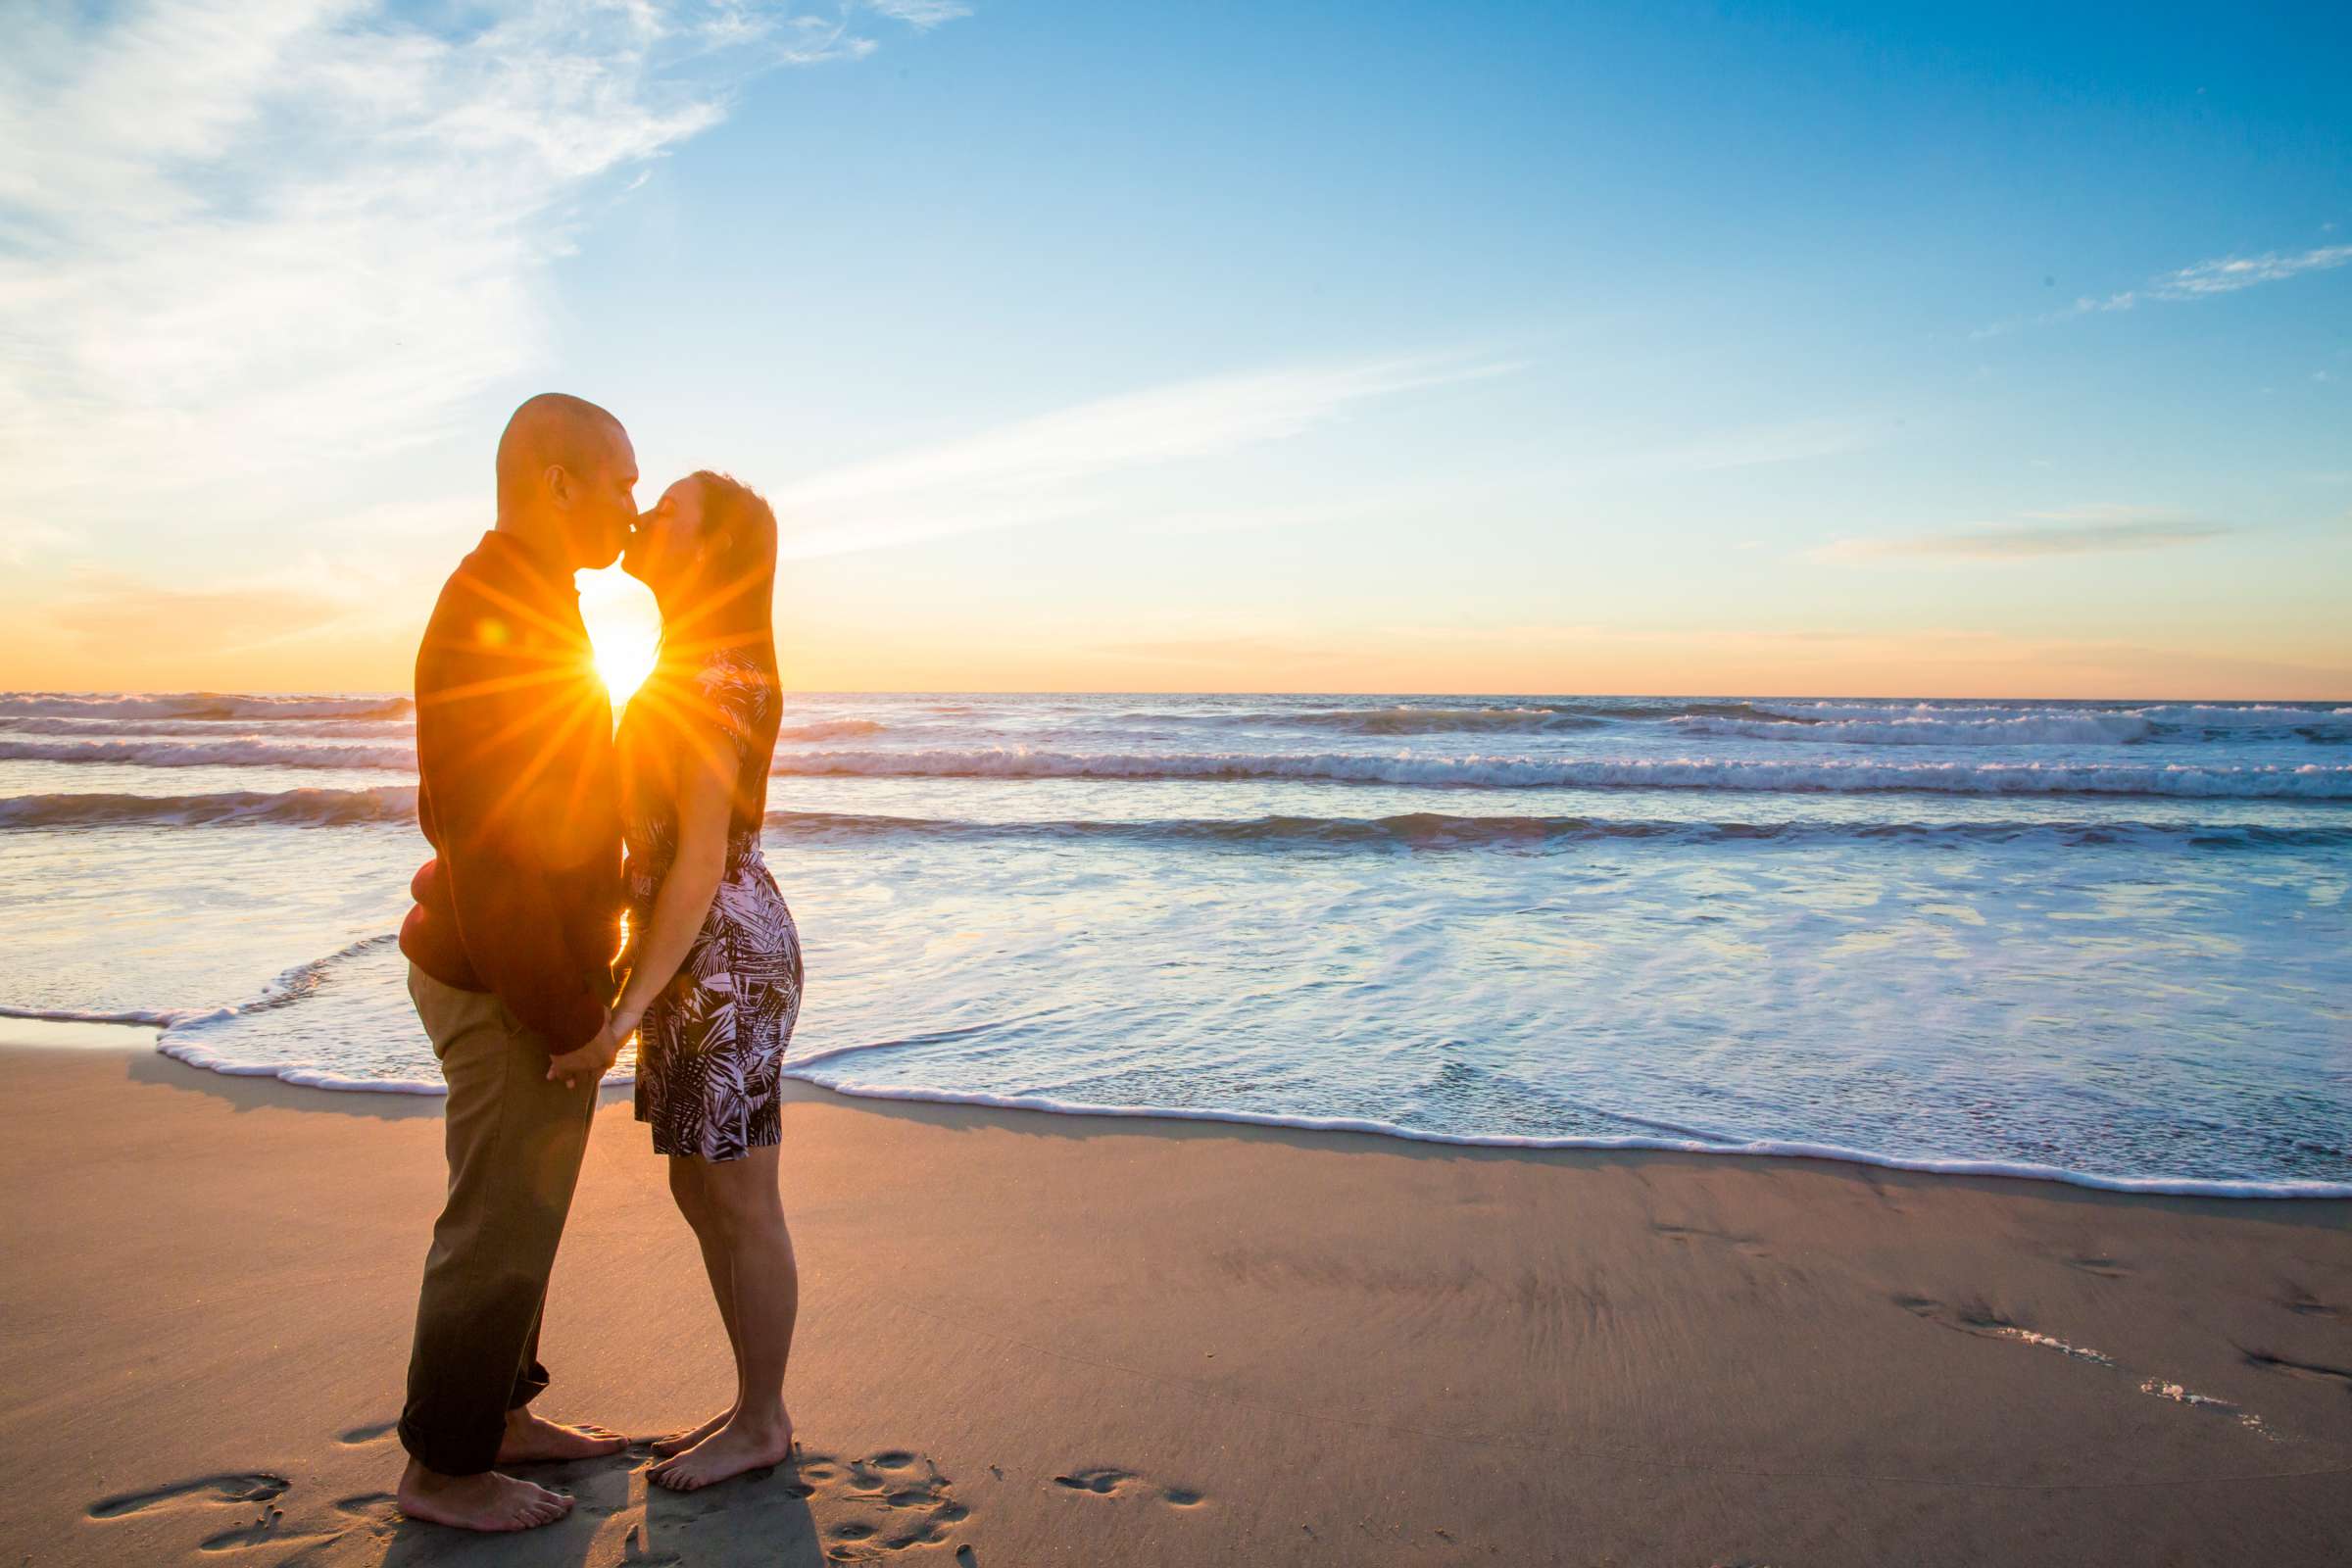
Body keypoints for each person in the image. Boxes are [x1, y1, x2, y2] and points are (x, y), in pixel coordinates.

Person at [392, 393, 639, 1532]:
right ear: (557, 483)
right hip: (501, 981)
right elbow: (491, 854)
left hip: (527, 973)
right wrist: (564, 1015)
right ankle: (444, 1467)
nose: (631, 505)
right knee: (494, 1227)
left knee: (524, 1213)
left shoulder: (537, 598)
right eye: (620, 482)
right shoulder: (495, 607)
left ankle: (501, 1414)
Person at [547, 470, 806, 1493]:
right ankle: (753, 1401)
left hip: (723, 959)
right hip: (695, 950)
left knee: (740, 1196)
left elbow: (698, 859)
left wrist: (624, 1009)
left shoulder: (713, 681)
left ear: (708, 553)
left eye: (668, 512)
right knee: (699, 1181)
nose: (645, 515)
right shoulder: (685, 668)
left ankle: (765, 1417)